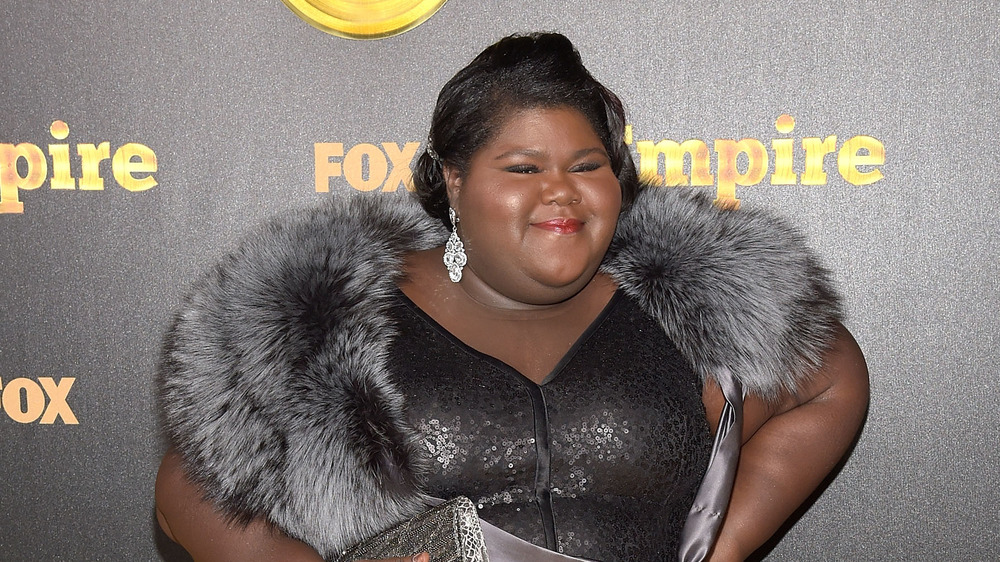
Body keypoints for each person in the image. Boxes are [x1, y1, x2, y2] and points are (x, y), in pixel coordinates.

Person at [155, 32, 868, 562]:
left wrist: (726, 543)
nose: (561, 189)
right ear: (456, 181)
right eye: (523, 166)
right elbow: (191, 491)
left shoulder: (692, 313)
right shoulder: (333, 326)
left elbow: (834, 379)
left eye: (588, 165)